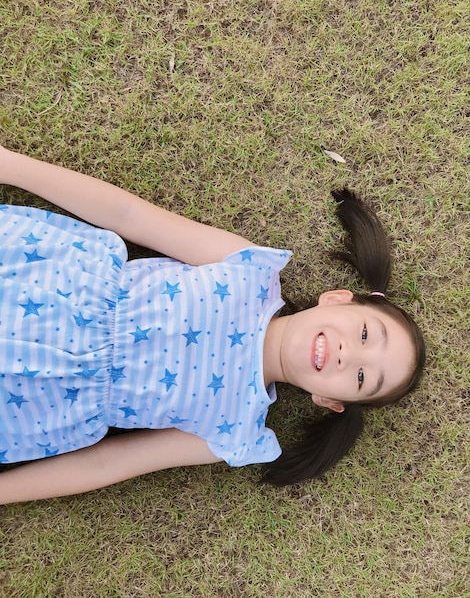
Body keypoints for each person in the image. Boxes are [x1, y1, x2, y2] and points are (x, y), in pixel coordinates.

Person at [0, 146, 425, 503]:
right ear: (336, 299)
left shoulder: (233, 431)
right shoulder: (249, 269)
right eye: (366, 334)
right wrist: (10, 164)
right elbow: (127, 213)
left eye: (362, 376)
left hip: (33, 397)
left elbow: (107, 463)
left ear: (329, 401)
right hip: (39, 283)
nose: (348, 354)